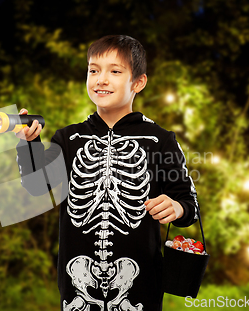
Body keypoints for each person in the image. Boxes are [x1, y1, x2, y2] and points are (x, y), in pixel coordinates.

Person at [15, 34, 199, 311]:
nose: (101, 79)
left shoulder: (160, 139)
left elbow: (190, 204)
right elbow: (37, 187)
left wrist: (177, 207)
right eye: (93, 70)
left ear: (138, 82)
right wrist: (29, 145)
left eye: (115, 71)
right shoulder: (68, 138)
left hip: (139, 284)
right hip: (77, 283)